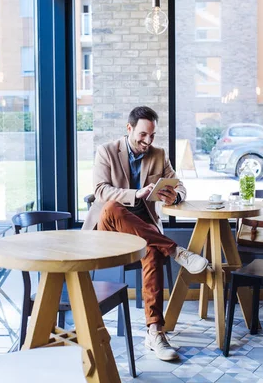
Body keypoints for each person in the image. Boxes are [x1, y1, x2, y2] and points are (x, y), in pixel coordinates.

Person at [82, 106, 208, 361]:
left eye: (151, 136)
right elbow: (99, 190)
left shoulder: (159, 155)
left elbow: (179, 184)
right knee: (113, 206)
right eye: (142, 135)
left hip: (144, 232)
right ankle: (175, 250)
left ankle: (154, 332)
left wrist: (175, 194)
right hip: (110, 229)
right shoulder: (106, 151)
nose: (147, 141)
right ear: (129, 129)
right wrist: (135, 195)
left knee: (151, 250)